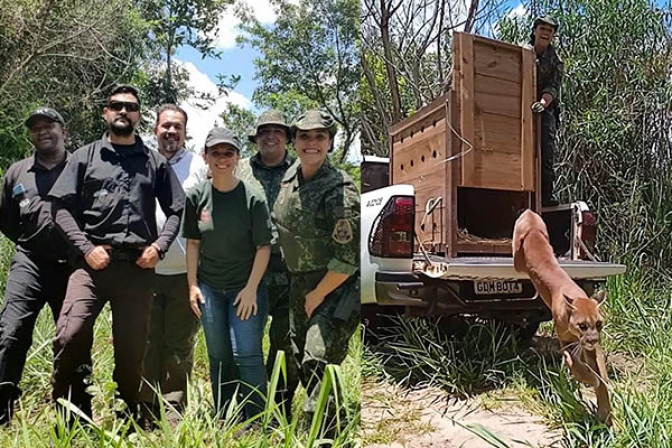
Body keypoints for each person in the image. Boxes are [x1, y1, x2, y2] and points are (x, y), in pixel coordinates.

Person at [48, 85, 185, 422]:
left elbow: (178, 210)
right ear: (105, 112)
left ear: (139, 116)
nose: (123, 111)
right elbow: (60, 209)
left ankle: (127, 419)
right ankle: (73, 416)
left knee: (131, 351)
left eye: (131, 107)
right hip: (91, 267)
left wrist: (159, 247)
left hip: (137, 271)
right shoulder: (85, 156)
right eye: (116, 106)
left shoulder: (154, 162)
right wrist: (86, 248)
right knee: (70, 334)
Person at [273, 110, 360, 428]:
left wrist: (316, 296)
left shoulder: (340, 191)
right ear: (294, 141)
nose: (312, 143)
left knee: (318, 358)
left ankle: (322, 435)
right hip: (298, 282)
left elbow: (347, 259)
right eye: (305, 136)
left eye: (319, 136)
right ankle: (291, 424)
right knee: (293, 354)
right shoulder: (290, 175)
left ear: (330, 142)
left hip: (333, 286)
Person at [182, 127, 272, 423]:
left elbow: (263, 247)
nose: (222, 158)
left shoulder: (252, 198)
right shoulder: (196, 196)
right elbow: (193, 243)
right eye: (216, 152)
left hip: (244, 287)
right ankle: (225, 417)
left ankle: (257, 419)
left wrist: (250, 289)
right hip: (209, 287)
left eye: (228, 152)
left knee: (246, 353)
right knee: (218, 355)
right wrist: (193, 284)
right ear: (205, 156)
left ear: (237, 157)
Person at [0, 108, 74, 425]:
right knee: (10, 331)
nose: (43, 132)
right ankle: (2, 411)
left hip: (72, 267)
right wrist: (32, 240)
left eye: (49, 126)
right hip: (28, 263)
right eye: (36, 128)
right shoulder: (17, 172)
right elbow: (6, 221)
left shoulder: (80, 167)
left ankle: (71, 414)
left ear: (62, 130)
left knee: (71, 337)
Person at [139, 104, 206, 426]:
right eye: (165, 126)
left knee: (179, 344)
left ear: (184, 132)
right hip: (143, 271)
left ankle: (173, 412)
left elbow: (209, 212)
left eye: (177, 127)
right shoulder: (140, 163)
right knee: (146, 341)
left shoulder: (198, 166)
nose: (171, 132)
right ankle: (145, 408)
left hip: (185, 273)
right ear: (155, 130)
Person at [237, 109, 297, 416]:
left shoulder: (304, 169)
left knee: (285, 343)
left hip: (292, 272)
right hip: (250, 273)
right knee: (245, 343)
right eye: (263, 131)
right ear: (256, 138)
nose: (270, 136)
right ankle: (248, 407)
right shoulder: (240, 171)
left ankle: (279, 407)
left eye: (277, 131)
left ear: (287, 137)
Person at [530, 15, 564, 207]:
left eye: (550, 31)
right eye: (543, 28)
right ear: (535, 31)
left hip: (544, 110)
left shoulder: (555, 62)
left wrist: (542, 104)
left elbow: (553, 87)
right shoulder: (521, 51)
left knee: (545, 153)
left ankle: (545, 196)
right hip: (517, 108)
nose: (546, 33)